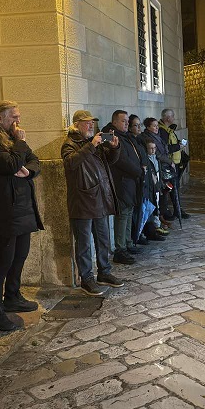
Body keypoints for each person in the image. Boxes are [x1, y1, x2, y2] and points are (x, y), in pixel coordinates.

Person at [0, 102, 44, 332]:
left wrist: (28, 171)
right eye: (13, 117)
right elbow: (9, 164)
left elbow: (35, 160)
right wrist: (20, 144)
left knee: (21, 253)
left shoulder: (12, 139)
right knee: (5, 258)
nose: (18, 121)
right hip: (5, 208)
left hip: (22, 206)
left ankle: (12, 295)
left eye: (18, 116)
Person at [61, 110, 124, 296]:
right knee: (84, 243)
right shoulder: (69, 144)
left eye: (92, 122)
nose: (91, 125)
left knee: (103, 238)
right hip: (82, 200)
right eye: (87, 122)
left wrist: (114, 148)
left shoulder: (93, 142)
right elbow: (70, 163)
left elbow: (110, 161)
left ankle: (104, 272)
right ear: (76, 125)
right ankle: (86, 278)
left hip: (100, 198)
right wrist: (91, 145)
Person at [102, 110, 144, 263]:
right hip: (121, 181)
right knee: (123, 214)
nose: (127, 123)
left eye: (127, 121)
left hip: (130, 181)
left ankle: (127, 243)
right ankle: (120, 249)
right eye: (123, 121)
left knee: (129, 211)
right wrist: (138, 170)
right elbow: (120, 159)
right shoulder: (109, 135)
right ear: (114, 122)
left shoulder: (125, 136)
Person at [159, 108, 190, 219]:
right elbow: (165, 149)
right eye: (172, 116)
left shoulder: (169, 130)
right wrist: (178, 146)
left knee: (174, 188)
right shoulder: (162, 131)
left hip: (174, 162)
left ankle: (177, 210)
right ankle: (171, 211)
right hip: (169, 164)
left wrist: (179, 144)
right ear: (167, 118)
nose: (174, 118)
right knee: (171, 188)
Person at [127, 115, 150, 247]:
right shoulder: (129, 141)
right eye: (136, 125)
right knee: (134, 212)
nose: (139, 128)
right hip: (136, 180)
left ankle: (140, 232)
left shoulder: (139, 140)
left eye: (139, 124)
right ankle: (135, 236)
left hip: (143, 178)